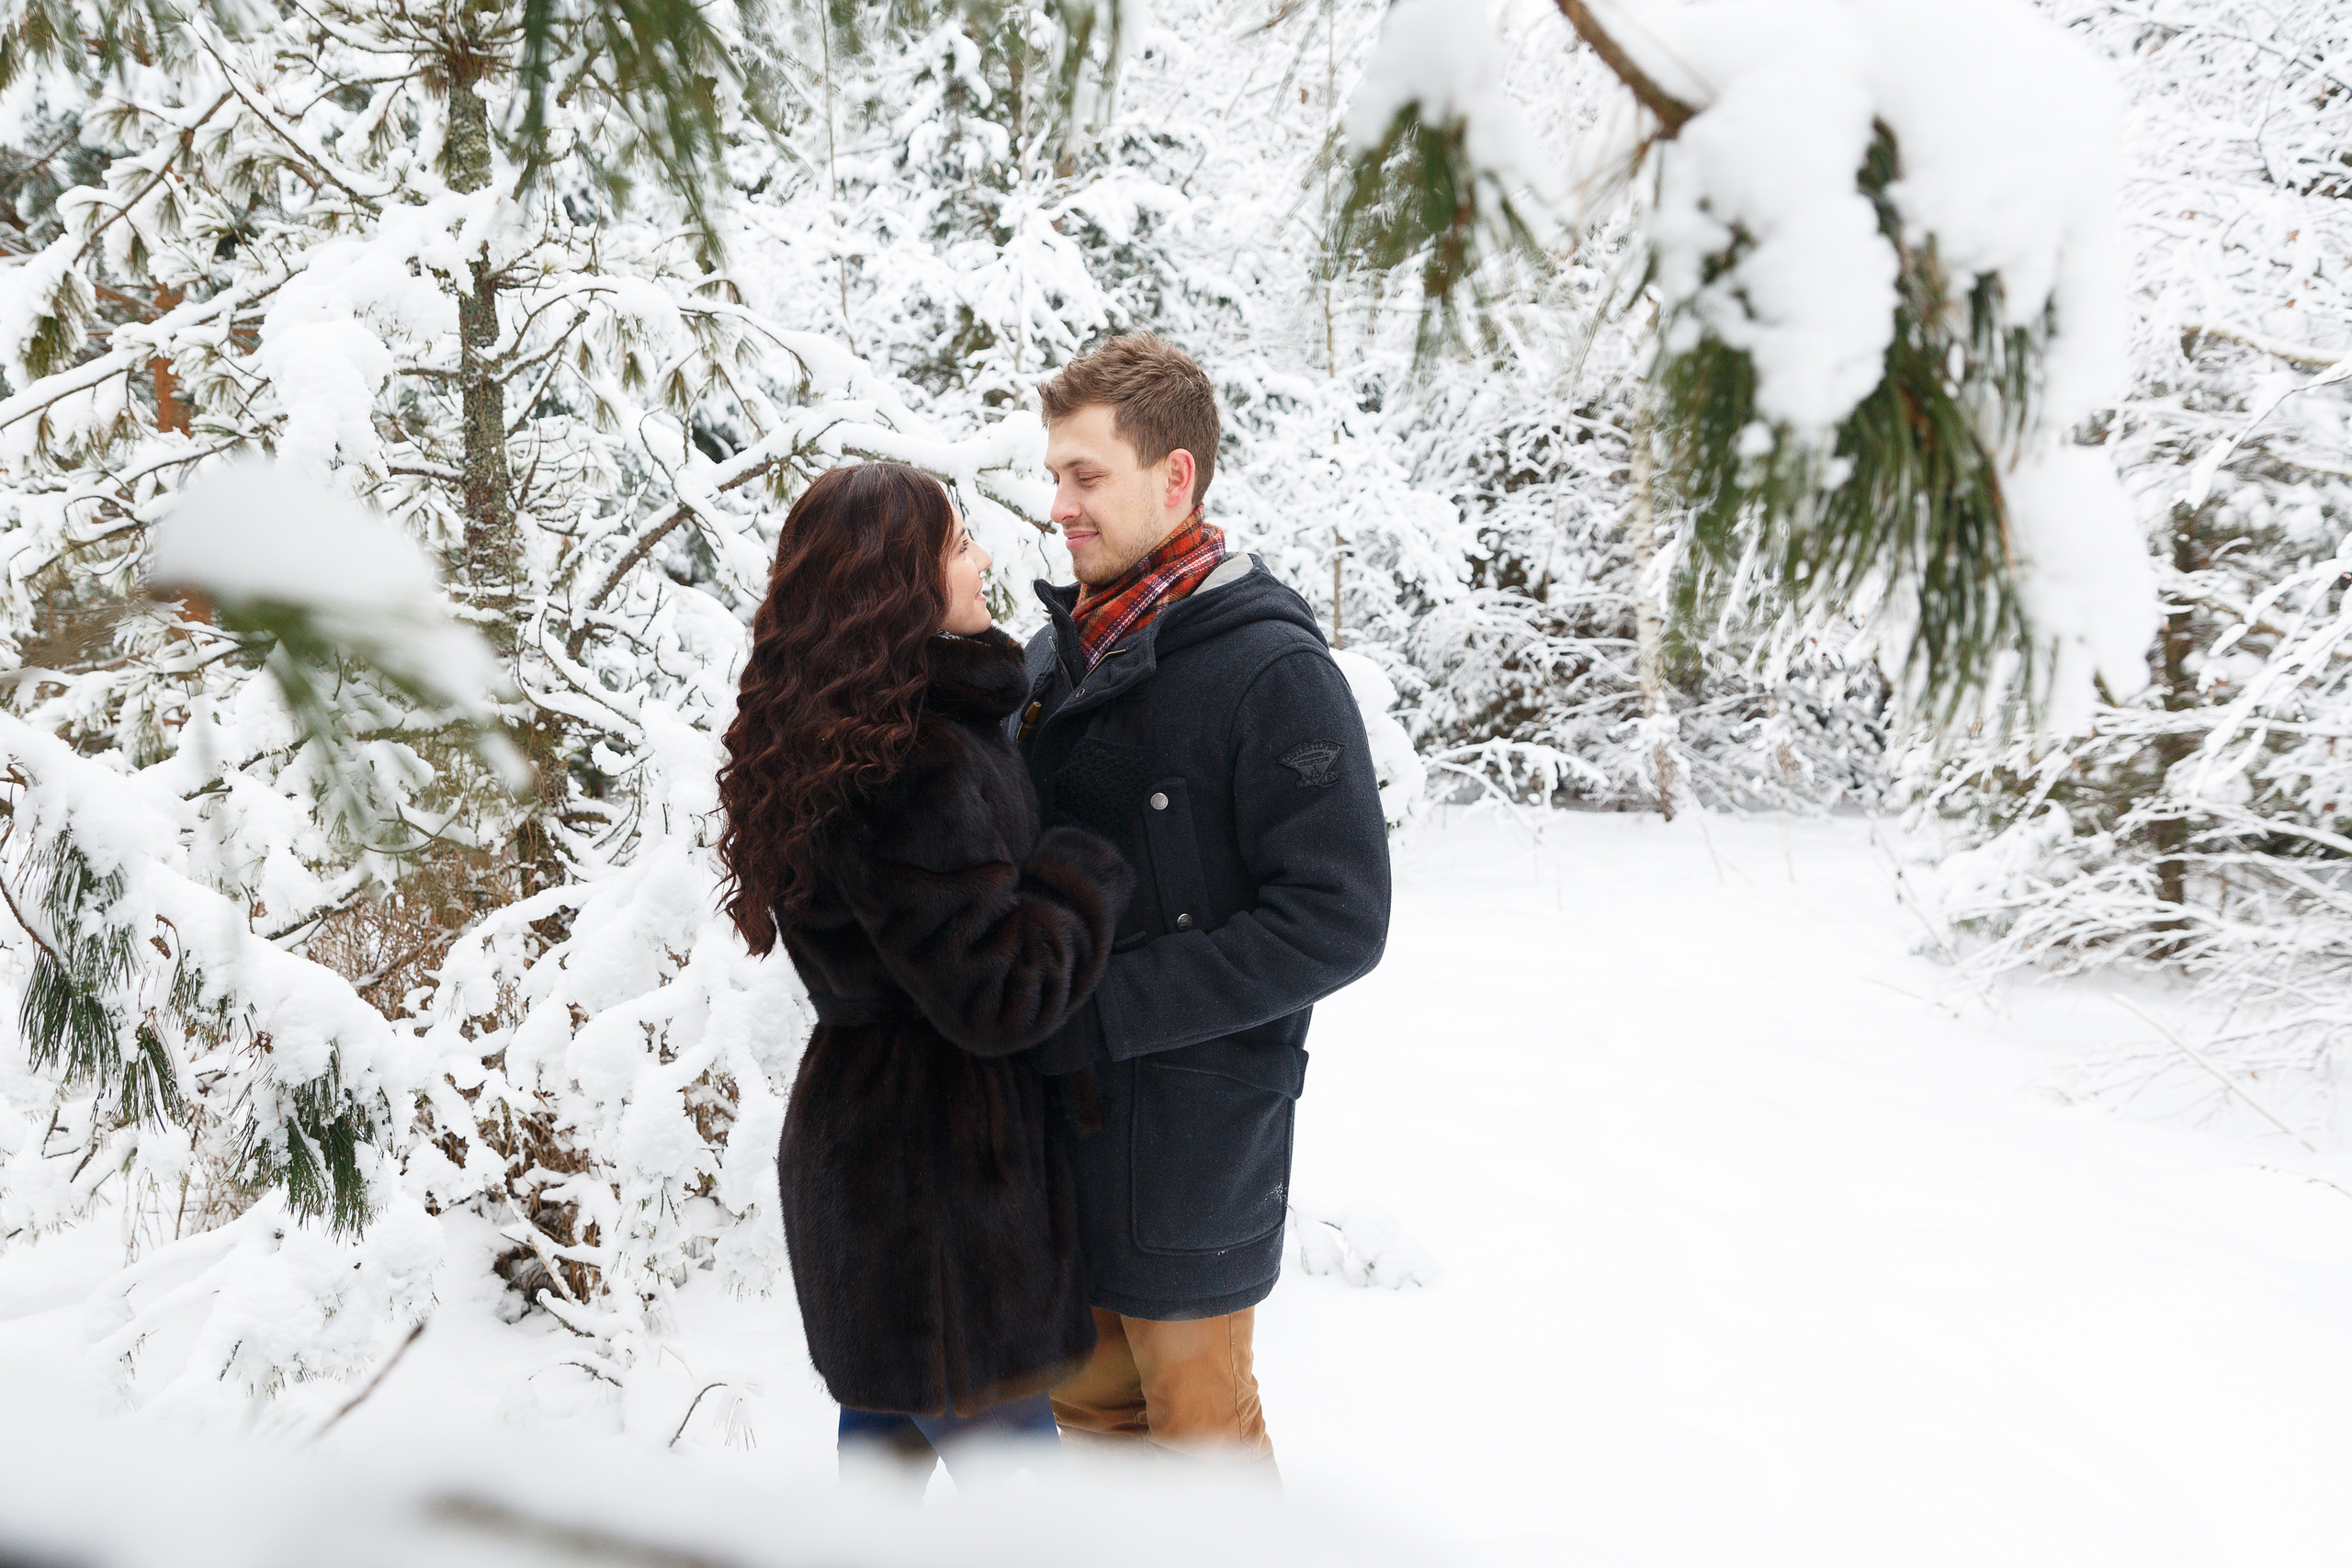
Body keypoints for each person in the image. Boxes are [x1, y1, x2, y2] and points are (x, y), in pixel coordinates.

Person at [1012, 333, 1393, 1469]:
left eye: (1086, 476)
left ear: (1174, 478)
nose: (1058, 506)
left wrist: (1104, 1010)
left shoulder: (1271, 672)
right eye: (1054, 475)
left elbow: (1335, 918)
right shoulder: (1047, 660)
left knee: (1199, 1447)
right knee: (1094, 1428)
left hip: (1192, 1139)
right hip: (1054, 1135)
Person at [715, 462, 1135, 1483]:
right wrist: (1084, 868)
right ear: (894, 580)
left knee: (880, 1488)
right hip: (945, 1201)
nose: (985, 557)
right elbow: (999, 994)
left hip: (873, 1171)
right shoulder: (915, 759)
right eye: (957, 544)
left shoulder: (848, 731)